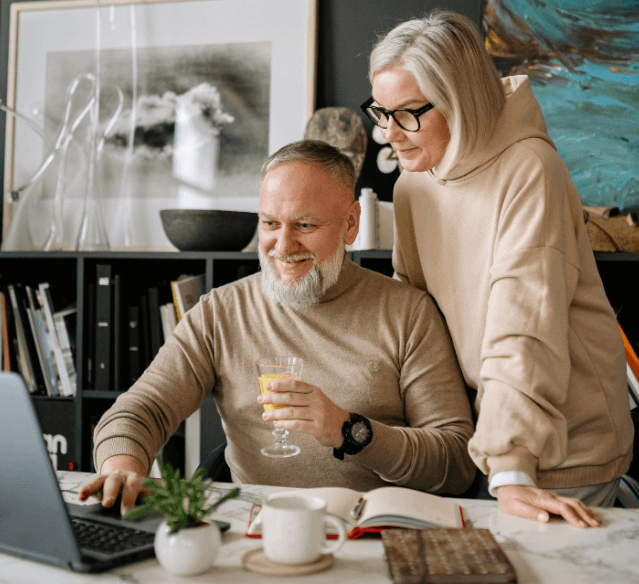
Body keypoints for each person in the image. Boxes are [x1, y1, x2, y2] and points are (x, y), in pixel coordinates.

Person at [79, 140, 475, 515]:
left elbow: (456, 462)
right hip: (253, 527)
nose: (282, 247)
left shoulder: (408, 313)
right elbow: (142, 408)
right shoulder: (220, 312)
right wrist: (122, 466)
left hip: (368, 530)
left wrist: (347, 430)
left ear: (350, 224)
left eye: (304, 225)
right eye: (270, 223)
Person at [363, 10, 634, 527]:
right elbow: (413, 313)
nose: (390, 135)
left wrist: (510, 466)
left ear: (460, 102)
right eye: (380, 112)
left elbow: (523, 322)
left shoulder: (530, 169)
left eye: (409, 114)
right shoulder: (413, 186)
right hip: (484, 435)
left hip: (562, 445)